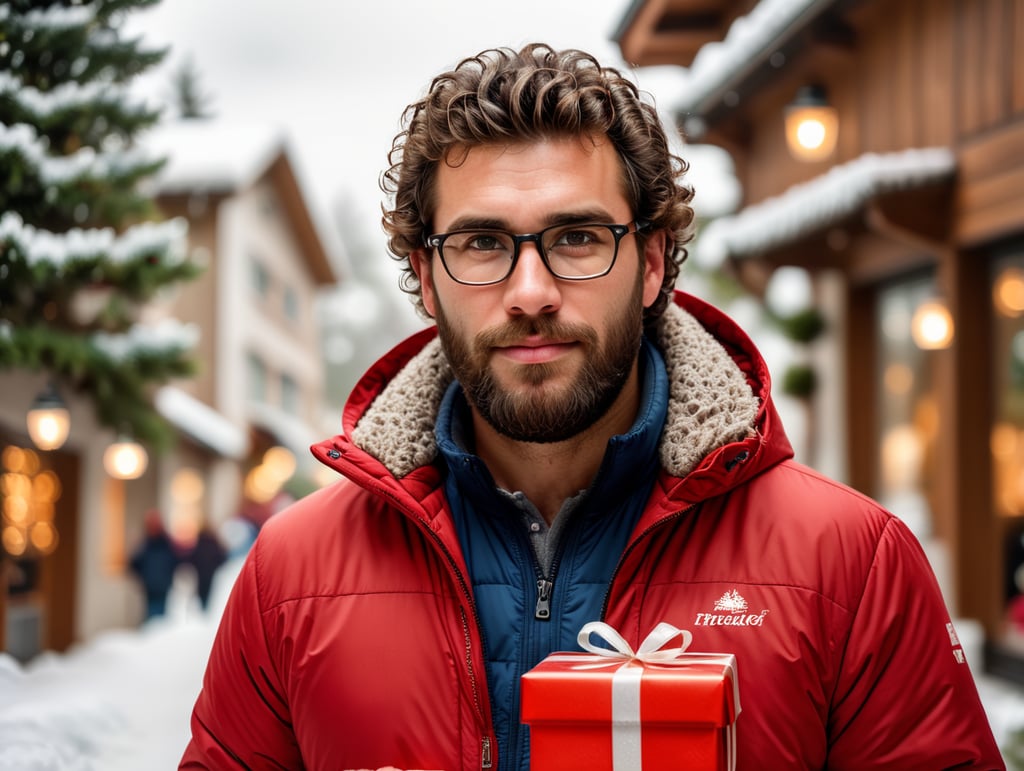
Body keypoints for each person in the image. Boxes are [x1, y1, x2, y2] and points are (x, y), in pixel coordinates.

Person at [181, 44, 1004, 770]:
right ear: (426, 277)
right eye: (482, 243)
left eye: (576, 237)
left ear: (649, 262)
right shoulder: (290, 576)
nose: (530, 293)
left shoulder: (851, 568)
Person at [129, 509, 179, 621]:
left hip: (163, 589)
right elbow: (133, 564)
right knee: (151, 620)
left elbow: (176, 561)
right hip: (150, 590)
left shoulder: (167, 544)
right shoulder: (144, 545)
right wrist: (144, 578)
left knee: (161, 621)